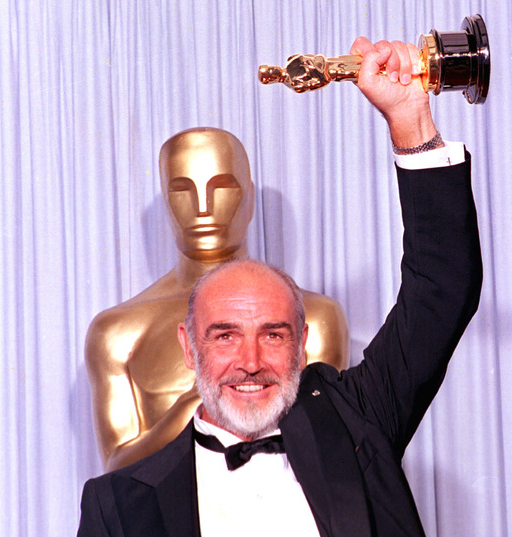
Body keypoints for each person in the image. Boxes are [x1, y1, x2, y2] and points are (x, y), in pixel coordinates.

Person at [78, 36, 482, 537]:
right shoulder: (117, 504)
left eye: (273, 334)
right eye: (225, 335)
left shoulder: (356, 424)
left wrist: (410, 120)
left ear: (302, 341)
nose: (250, 361)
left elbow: (441, 288)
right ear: (188, 346)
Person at [85, 127, 349, 472]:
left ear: (250, 199)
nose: (202, 208)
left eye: (223, 187)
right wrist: (197, 407)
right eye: (182, 190)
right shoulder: (117, 333)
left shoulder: (316, 317)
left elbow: (327, 450)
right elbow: (116, 472)